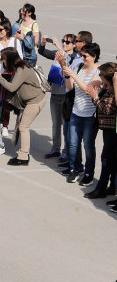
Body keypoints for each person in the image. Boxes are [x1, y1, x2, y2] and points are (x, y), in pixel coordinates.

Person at [0, 47, 46, 165]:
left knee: (23, 127)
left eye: (4, 58)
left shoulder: (21, 69)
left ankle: (23, 157)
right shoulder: (19, 66)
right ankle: (23, 154)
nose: (3, 61)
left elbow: (12, 87)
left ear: (10, 58)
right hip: (30, 101)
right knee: (22, 126)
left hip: (35, 101)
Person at [62, 43, 101, 185]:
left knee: (88, 146)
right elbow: (70, 86)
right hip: (76, 111)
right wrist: (67, 75)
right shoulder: (79, 67)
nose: (82, 58)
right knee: (72, 143)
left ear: (94, 56)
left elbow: (88, 89)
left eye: (85, 56)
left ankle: (89, 174)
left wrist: (72, 75)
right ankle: (75, 168)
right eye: (81, 55)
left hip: (90, 115)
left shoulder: (98, 72)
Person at [38, 33, 76, 159]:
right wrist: (43, 42)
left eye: (68, 42)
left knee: (66, 125)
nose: (65, 43)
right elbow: (42, 51)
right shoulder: (58, 54)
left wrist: (59, 48)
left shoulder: (75, 57)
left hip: (66, 96)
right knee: (55, 124)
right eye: (63, 41)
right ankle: (55, 148)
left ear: (74, 45)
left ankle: (66, 151)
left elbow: (68, 63)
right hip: (55, 94)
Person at [83, 63, 116, 202]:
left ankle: (101, 188)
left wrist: (96, 97)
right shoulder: (107, 88)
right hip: (107, 127)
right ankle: (111, 186)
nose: (99, 77)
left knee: (107, 159)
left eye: (101, 75)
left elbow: (108, 109)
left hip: (112, 129)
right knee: (111, 159)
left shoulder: (114, 90)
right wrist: (95, 95)